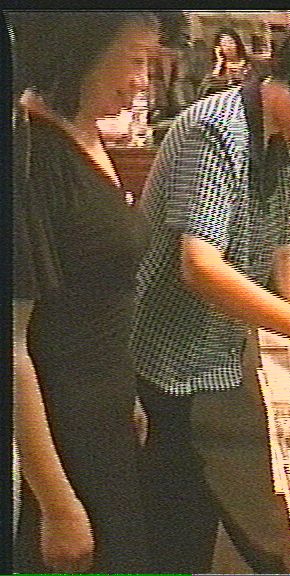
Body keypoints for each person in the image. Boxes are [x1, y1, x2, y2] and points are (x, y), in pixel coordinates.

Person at [131, 13, 290, 574]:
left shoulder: (280, 137)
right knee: (177, 502)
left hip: (216, 346)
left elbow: (281, 247)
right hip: (168, 346)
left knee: (221, 481)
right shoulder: (214, 129)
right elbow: (200, 267)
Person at [11, 11, 159, 573]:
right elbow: (12, 347)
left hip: (105, 413)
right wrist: (57, 505)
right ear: (79, 55)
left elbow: (100, 292)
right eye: (136, 61)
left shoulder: (85, 130)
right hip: (60, 435)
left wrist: (126, 395)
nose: (143, 81)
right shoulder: (31, 157)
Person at [197, 26, 251, 100]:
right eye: (224, 44)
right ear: (219, 47)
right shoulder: (217, 68)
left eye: (231, 42)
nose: (228, 47)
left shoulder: (250, 64)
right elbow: (207, 88)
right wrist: (219, 62)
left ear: (237, 44)